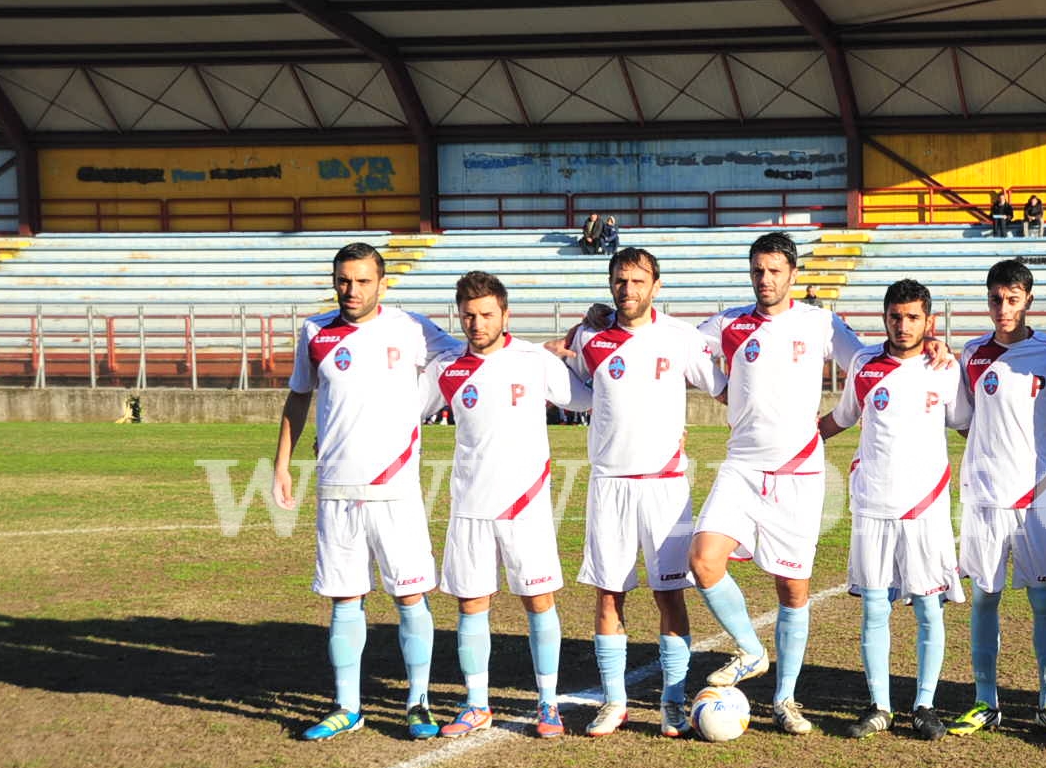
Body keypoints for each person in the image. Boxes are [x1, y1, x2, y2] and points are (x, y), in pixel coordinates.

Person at [272, 241, 461, 741]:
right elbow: (298, 396)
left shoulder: (412, 327)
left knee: (409, 595)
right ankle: (346, 705)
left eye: (361, 281)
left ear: (382, 283)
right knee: (343, 598)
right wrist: (282, 464)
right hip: (336, 487)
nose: (351, 290)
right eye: (343, 280)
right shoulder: (314, 331)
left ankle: (418, 701)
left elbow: (469, 357)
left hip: (396, 489)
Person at [690, 232, 869, 736]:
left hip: (799, 473)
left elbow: (866, 363)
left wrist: (928, 349)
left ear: (792, 274)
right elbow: (671, 342)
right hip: (742, 467)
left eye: (773, 271)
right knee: (703, 560)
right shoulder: (729, 323)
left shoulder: (818, 322)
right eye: (757, 271)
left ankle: (785, 700)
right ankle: (751, 649)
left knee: (793, 589)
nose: (765, 280)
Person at [556, 247, 726, 739]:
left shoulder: (680, 337)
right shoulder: (592, 336)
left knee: (669, 595)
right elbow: (566, 367)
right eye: (619, 281)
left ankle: (673, 702)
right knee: (609, 595)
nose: (627, 290)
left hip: (665, 487)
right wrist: (569, 335)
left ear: (656, 285)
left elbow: (723, 387)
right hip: (609, 485)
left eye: (636, 281)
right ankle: (614, 702)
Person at [420, 272, 591, 739]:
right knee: (472, 604)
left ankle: (548, 702)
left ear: (505, 314)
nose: (477, 324)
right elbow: (403, 412)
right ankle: (476, 704)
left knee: (538, 600)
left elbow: (589, 400)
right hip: (470, 505)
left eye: (487, 314)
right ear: (460, 316)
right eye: (469, 315)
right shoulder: (449, 369)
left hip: (526, 505)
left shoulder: (534, 360)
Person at [818, 280, 970, 740]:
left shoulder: (945, 369)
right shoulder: (864, 363)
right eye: (895, 316)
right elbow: (842, 417)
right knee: (874, 609)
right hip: (872, 507)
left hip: (925, 508)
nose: (903, 326)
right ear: (884, 317)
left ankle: (924, 704)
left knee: (929, 608)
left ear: (929, 321)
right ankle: (879, 705)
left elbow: (969, 425)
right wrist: (793, 442)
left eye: (912, 317)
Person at [952, 259, 1046, 736]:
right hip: (985, 496)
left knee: (1044, 600)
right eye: (996, 299)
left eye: (1013, 299)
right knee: (985, 598)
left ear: (1028, 301)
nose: (1003, 308)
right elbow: (963, 418)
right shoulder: (969, 354)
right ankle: (985, 701)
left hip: (1038, 496)